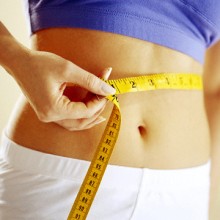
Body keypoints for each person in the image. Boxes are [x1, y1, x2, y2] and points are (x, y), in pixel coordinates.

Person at [0, 0, 220, 219]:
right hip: (58, 175)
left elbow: (213, 89)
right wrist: (17, 59)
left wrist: (207, 196)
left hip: (185, 190)